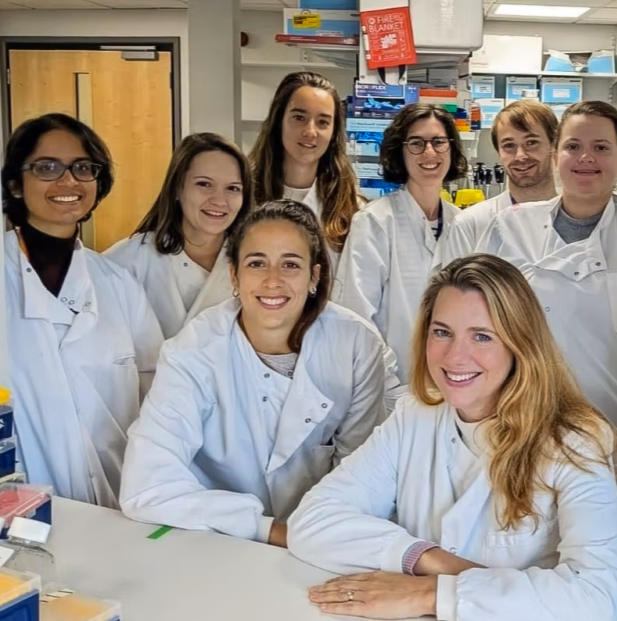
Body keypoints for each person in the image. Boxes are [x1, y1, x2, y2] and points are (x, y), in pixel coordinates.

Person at [288, 254, 617, 621]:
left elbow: (596, 598)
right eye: (442, 332)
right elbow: (311, 521)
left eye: (482, 336)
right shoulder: (415, 415)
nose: (455, 356)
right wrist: (424, 558)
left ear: (521, 345)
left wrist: (432, 594)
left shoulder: (575, 441)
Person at [119, 201, 390, 547]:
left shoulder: (355, 345)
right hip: (214, 541)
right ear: (234, 275)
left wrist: (317, 537)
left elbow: (358, 473)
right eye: (256, 263)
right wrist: (268, 530)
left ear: (315, 276)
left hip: (319, 541)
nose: (272, 280)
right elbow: (146, 487)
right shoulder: (194, 350)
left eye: (290, 264)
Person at [445, 100, 617, 428]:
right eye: (573, 146)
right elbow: (477, 324)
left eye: (601, 147)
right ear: (555, 157)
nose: (585, 157)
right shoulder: (510, 227)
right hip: (521, 414)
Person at [2, 113, 163, 508]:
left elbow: (157, 390)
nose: (68, 181)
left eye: (83, 168)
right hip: (15, 506)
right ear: (15, 185)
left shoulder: (118, 283)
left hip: (116, 499)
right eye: (46, 167)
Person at [337, 103, 465, 386]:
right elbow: (355, 316)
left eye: (439, 142)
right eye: (416, 143)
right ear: (400, 152)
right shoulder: (374, 222)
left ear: (451, 149)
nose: (429, 153)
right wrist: (391, 383)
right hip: (388, 386)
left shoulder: (463, 224)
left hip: (454, 383)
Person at [105, 133, 252, 338]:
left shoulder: (255, 261)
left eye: (233, 188)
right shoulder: (124, 262)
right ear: (176, 188)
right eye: (204, 184)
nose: (219, 200)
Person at [248, 71, 362, 275]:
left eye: (323, 122)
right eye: (299, 117)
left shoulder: (354, 211)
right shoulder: (242, 196)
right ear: (278, 121)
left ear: (334, 133)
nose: (310, 131)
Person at [447, 100, 558, 251]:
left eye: (531, 142)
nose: (520, 155)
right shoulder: (471, 224)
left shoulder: (582, 218)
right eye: (509, 146)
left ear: (554, 146)